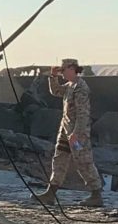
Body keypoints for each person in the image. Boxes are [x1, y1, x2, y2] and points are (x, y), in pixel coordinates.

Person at [33, 58, 103, 207]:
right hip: (66, 130)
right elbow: (56, 91)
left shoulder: (80, 88)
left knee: (83, 160)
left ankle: (96, 194)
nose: (62, 73)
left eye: (63, 70)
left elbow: (83, 114)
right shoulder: (71, 86)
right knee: (59, 159)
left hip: (77, 134)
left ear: (72, 69)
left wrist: (76, 134)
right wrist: (53, 77)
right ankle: (50, 193)